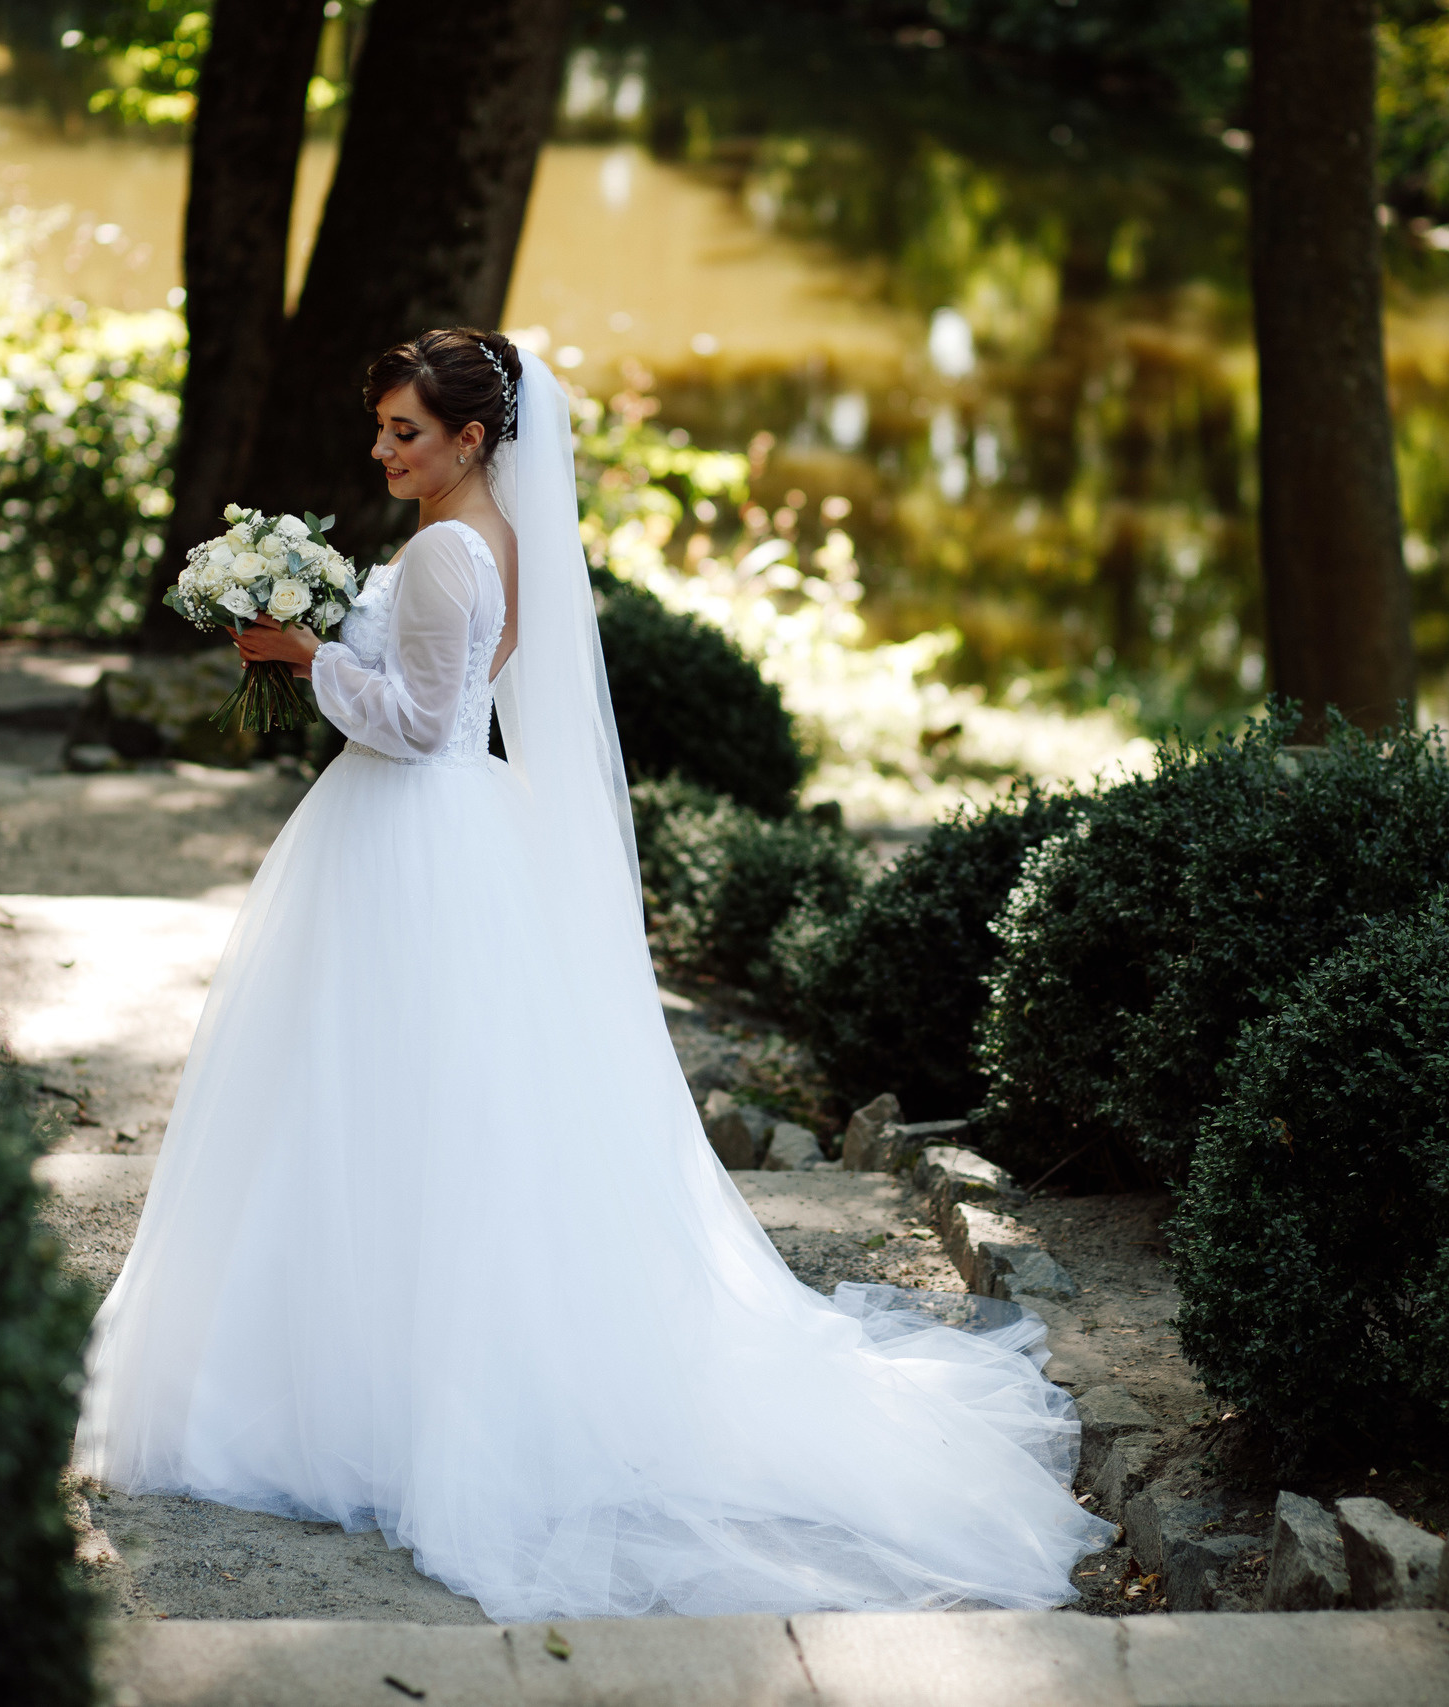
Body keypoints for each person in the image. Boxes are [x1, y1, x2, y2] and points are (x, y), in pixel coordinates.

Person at [73, 329, 1114, 1620]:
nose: (384, 450)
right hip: (443, 834)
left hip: (413, 835)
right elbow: (459, 694)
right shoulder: (492, 544)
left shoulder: (453, 552)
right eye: (382, 429)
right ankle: (371, 1365)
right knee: (398, 1111)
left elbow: (412, 722)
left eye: (407, 432)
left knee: (380, 1103)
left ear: (472, 440)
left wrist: (302, 661)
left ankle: (367, 1391)